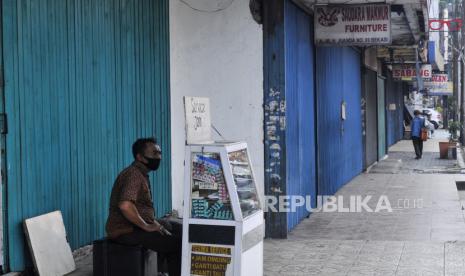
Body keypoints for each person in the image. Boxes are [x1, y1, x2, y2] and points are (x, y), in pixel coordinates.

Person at [105, 137, 181, 276]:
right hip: (125, 230)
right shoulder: (133, 175)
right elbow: (125, 205)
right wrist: (146, 226)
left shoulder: (141, 173)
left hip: (137, 226)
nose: (159, 157)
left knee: (178, 228)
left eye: (159, 153)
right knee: (176, 244)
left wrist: (153, 223)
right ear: (140, 157)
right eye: (154, 153)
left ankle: (159, 270)